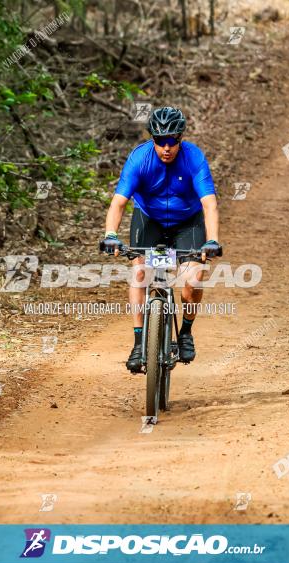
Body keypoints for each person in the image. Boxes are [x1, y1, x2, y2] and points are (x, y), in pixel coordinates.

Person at [99, 107, 222, 373]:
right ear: (152, 139)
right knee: (140, 273)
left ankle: (186, 332)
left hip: (187, 222)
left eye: (172, 141)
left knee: (193, 278)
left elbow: (209, 204)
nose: (166, 147)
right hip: (149, 220)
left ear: (181, 139)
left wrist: (212, 240)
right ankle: (138, 342)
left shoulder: (193, 158)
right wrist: (110, 235)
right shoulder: (139, 159)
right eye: (160, 141)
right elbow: (119, 203)